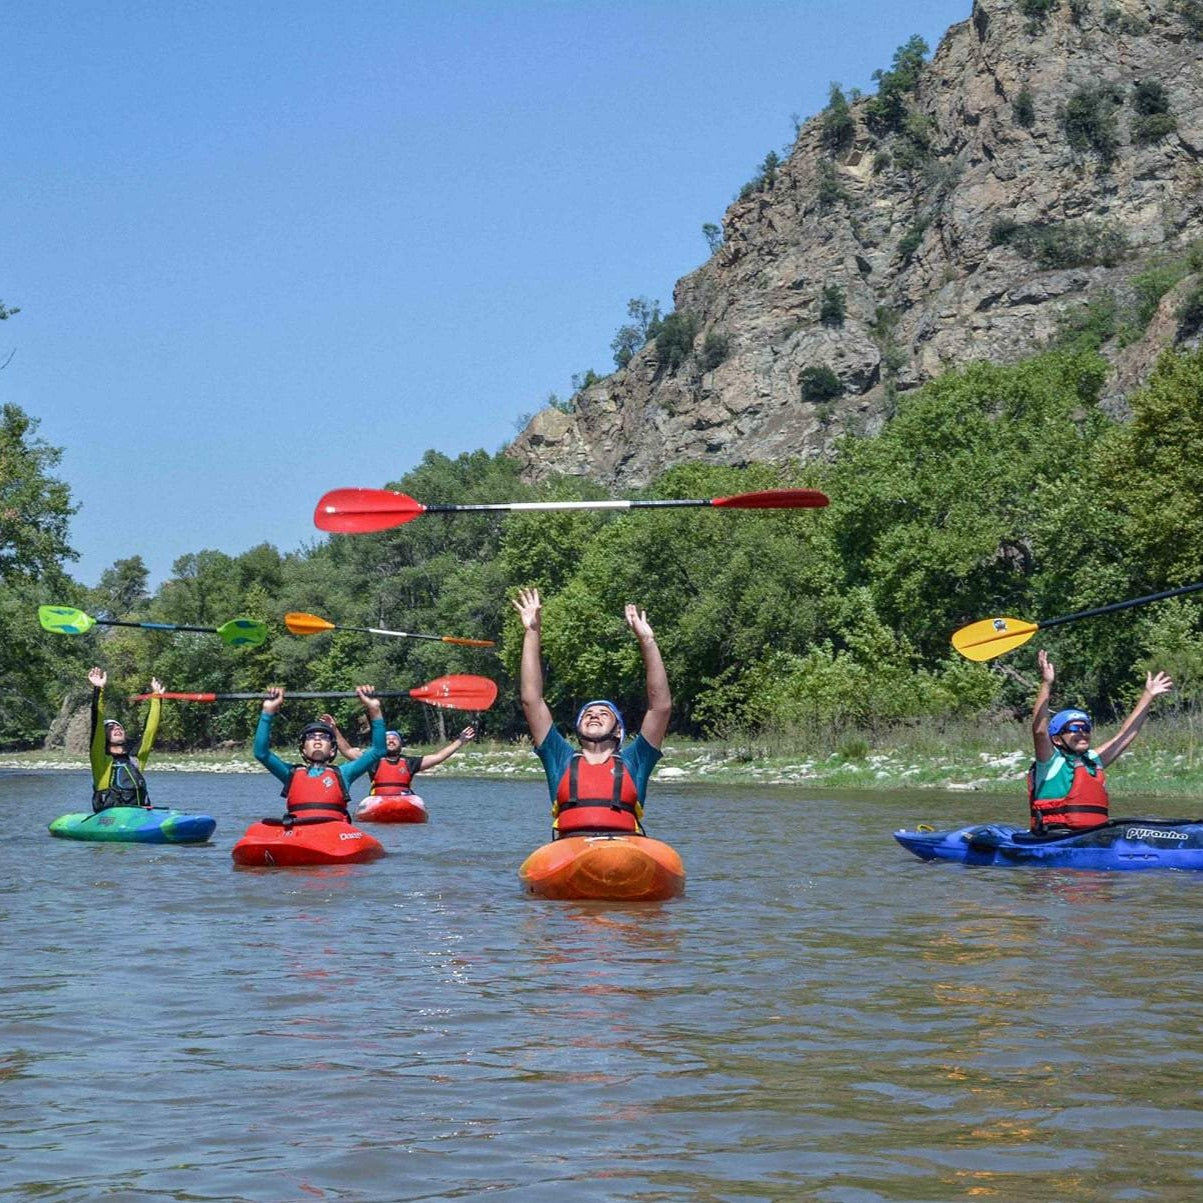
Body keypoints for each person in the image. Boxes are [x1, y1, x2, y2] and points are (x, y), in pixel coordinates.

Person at [511, 586, 671, 839]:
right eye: (588, 713)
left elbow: (660, 707)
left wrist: (647, 642)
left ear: (618, 729)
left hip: (626, 850)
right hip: (571, 850)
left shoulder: (636, 759)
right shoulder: (559, 756)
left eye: (603, 712)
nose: (594, 715)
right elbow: (532, 700)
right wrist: (532, 632)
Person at [1029, 648, 1173, 833]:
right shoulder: (1049, 760)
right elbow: (1040, 731)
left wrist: (1148, 695)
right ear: (1057, 739)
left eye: (1085, 728)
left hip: (1094, 835)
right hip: (1055, 837)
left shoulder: (1092, 759)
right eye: (1074, 728)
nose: (1082, 732)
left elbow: (1124, 736)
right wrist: (1047, 684)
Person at [254, 685, 386, 823]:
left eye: (324, 737)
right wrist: (268, 711)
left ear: (332, 749)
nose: (317, 740)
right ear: (303, 749)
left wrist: (374, 709)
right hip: (300, 831)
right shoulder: (290, 774)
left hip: (333, 832)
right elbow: (261, 753)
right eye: (311, 737)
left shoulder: (344, 773)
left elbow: (378, 751)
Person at [321, 716, 478, 797]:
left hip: (404, 799)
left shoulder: (409, 762)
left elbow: (438, 757)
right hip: (378, 800)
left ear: (400, 743)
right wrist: (334, 729)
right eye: (386, 739)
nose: (390, 740)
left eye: (394, 738)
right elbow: (347, 751)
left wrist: (460, 740)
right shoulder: (373, 761)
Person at [87, 666, 164, 812]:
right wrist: (98, 690)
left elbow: (150, 732)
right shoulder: (100, 759)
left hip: (137, 812)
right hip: (111, 814)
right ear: (104, 736)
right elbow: (97, 722)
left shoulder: (135, 759)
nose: (117, 729)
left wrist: (156, 698)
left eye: (119, 727)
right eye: (110, 728)